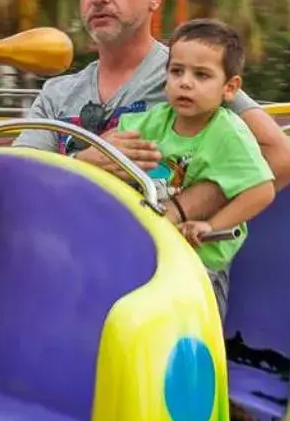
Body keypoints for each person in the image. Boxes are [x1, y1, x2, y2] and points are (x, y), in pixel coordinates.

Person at [14, 0, 290, 229]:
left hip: (167, 265)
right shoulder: (57, 93)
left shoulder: (189, 76)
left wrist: (175, 211)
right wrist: (82, 164)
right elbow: (17, 181)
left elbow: (281, 158)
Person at [113, 19, 275, 319]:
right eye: (177, 72)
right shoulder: (147, 123)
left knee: (190, 321)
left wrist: (211, 225)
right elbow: (113, 157)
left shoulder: (228, 133)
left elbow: (262, 190)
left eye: (202, 75)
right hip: (148, 254)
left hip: (200, 263)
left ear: (230, 88)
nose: (185, 82)